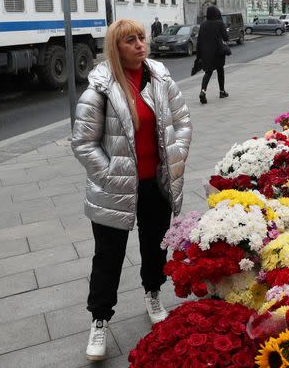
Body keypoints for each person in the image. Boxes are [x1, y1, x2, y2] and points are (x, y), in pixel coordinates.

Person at [71, 19, 192, 361]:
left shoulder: (160, 78)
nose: (140, 44)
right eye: (130, 40)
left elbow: (182, 121)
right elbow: (83, 142)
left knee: (155, 245)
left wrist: (177, 153)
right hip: (115, 187)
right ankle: (99, 319)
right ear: (115, 47)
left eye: (141, 38)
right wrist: (110, 175)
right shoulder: (100, 88)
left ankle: (153, 293)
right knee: (108, 256)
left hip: (157, 180)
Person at [196, 5, 229, 104]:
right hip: (218, 52)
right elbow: (226, 38)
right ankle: (222, 92)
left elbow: (199, 41)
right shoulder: (220, 23)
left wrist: (199, 56)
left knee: (208, 73)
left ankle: (203, 91)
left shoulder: (203, 25)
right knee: (220, 71)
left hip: (206, 53)